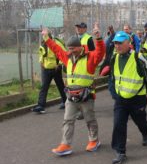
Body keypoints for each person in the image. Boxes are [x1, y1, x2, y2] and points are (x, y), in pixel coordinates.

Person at [41, 25, 105, 156]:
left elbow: (100, 53)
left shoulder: (90, 58)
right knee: (68, 120)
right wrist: (46, 38)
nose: (70, 51)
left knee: (90, 120)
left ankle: (94, 140)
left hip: (86, 96)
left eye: (73, 48)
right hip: (71, 97)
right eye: (69, 48)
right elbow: (57, 49)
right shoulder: (68, 57)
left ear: (80, 47)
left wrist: (98, 38)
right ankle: (65, 144)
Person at [109, 31, 147, 164]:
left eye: (120, 43)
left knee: (141, 122)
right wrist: (114, 93)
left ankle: (145, 132)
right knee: (118, 124)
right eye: (115, 43)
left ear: (128, 43)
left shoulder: (138, 57)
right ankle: (120, 152)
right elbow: (112, 77)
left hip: (137, 98)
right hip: (121, 99)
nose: (117, 46)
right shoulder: (114, 58)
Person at [32, 34, 67, 113]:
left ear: (50, 38)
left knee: (60, 85)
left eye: (46, 38)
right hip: (46, 68)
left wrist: (59, 64)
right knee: (44, 86)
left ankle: (65, 102)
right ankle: (41, 106)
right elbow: (41, 54)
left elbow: (63, 54)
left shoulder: (57, 43)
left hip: (56, 68)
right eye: (44, 38)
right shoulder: (43, 44)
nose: (45, 40)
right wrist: (41, 62)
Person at [75, 22, 96, 120]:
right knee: (77, 86)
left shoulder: (89, 38)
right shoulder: (75, 38)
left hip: (87, 66)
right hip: (76, 65)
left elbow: (93, 53)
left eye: (80, 28)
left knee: (89, 86)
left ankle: (89, 105)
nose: (78, 29)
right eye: (77, 28)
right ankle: (80, 109)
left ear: (85, 29)